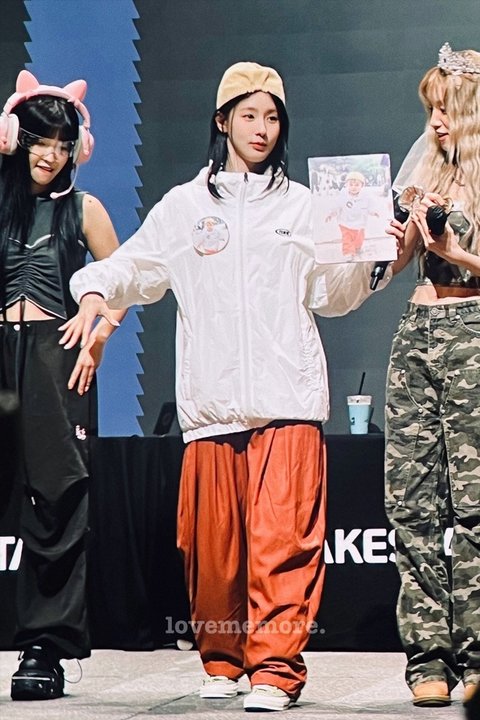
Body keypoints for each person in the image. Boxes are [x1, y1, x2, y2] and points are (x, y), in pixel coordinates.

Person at [62, 61, 392, 712]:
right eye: (249, 115)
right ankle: (223, 659)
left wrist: (370, 259)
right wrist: (93, 289)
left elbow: (332, 294)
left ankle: (275, 671)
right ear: (222, 120)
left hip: (288, 402)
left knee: (283, 545)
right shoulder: (185, 208)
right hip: (211, 410)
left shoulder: (304, 206)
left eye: (272, 117)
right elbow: (135, 267)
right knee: (212, 556)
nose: (262, 128)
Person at [0, 69, 124, 701]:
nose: (49, 154)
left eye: (61, 143)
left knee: (55, 500)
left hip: (57, 358)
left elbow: (125, 280)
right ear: (13, 137)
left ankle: (44, 647)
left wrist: (96, 330)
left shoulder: (85, 209)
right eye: (38, 139)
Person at [384, 42, 480, 708]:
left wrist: (457, 252)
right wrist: (393, 241)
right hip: (416, 330)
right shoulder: (425, 172)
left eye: (446, 108)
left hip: (473, 331)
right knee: (412, 504)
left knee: (474, 506)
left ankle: (476, 656)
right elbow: (391, 264)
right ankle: (427, 658)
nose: (436, 122)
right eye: (430, 110)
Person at [325, 170, 379, 257]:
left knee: (359, 239)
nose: (353, 187)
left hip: (360, 223)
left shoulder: (365, 197)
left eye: (357, 185)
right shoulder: (343, 196)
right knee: (347, 239)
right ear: (346, 185)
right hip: (345, 223)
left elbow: (370, 207)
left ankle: (357, 248)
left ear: (362, 186)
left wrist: (374, 212)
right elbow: (336, 206)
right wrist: (331, 214)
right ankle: (348, 252)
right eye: (351, 185)